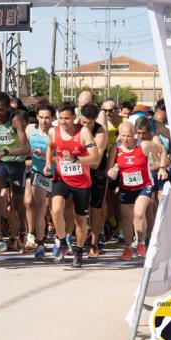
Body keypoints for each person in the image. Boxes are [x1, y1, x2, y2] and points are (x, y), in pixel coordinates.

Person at [44, 102, 100, 267]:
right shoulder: (53, 131)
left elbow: (95, 158)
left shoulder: (84, 132)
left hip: (81, 182)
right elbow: (50, 146)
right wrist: (48, 163)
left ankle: (79, 251)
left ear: (74, 117)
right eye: (60, 118)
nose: (63, 122)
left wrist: (76, 159)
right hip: (62, 177)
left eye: (67, 118)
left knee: (80, 221)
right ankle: (62, 242)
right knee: (55, 210)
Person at [107, 121, 165, 260]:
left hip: (143, 186)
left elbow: (162, 149)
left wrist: (162, 167)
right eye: (123, 136)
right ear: (119, 135)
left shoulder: (143, 145)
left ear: (134, 135)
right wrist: (111, 172)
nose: (126, 139)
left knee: (139, 214)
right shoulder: (116, 149)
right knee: (126, 219)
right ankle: (128, 247)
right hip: (126, 188)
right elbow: (109, 169)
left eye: (128, 136)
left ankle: (141, 243)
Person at [0, 92, 31, 254]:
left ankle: (20, 233)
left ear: (8, 108)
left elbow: (26, 149)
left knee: (17, 204)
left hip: (17, 164)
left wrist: (3, 152)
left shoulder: (15, 120)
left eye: (1, 109)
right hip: (0, 164)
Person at [24, 103, 55, 259]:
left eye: (47, 118)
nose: (44, 121)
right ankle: (40, 242)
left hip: (56, 175)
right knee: (39, 206)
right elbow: (23, 149)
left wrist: (46, 157)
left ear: (52, 118)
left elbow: (63, 157)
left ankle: (61, 239)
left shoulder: (56, 132)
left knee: (57, 209)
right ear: (36, 117)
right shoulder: (30, 129)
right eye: (41, 117)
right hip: (37, 173)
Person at [79, 103, 109, 258]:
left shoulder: (100, 132)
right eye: (82, 122)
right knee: (78, 208)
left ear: (95, 120)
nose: (85, 126)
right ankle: (80, 238)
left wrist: (75, 159)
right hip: (80, 172)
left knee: (95, 209)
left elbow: (96, 161)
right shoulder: (76, 128)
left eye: (88, 123)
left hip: (96, 173)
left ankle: (94, 242)